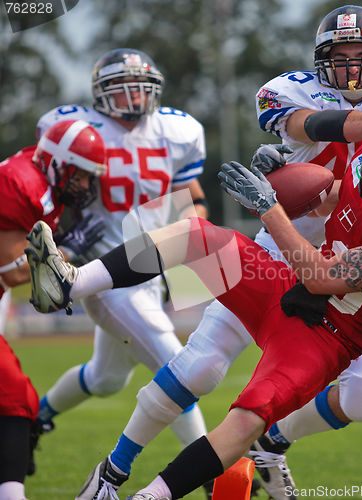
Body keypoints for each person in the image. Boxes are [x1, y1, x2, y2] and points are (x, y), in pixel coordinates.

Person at [31, 7, 362, 500]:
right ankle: (111, 467)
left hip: (338, 284)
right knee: (198, 360)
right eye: (339, 56)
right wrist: (292, 171)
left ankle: (269, 444)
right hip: (276, 245)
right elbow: (322, 127)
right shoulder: (289, 91)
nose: (351, 66)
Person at [33, 47, 214, 497]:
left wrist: (192, 278)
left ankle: (36, 418)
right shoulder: (78, 127)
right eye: (122, 89)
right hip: (103, 273)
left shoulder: (178, 130)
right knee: (181, 368)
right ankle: (214, 477)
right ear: (99, 93)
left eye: (141, 88)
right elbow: (52, 187)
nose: (133, 99)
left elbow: (187, 200)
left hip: (150, 271)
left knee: (105, 378)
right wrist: (65, 237)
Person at [0, 119, 107, 500]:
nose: (85, 186)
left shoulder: (41, 179)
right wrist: (66, 254)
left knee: (17, 401)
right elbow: (11, 272)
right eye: (79, 176)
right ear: (59, 163)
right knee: (15, 398)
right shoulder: (22, 184)